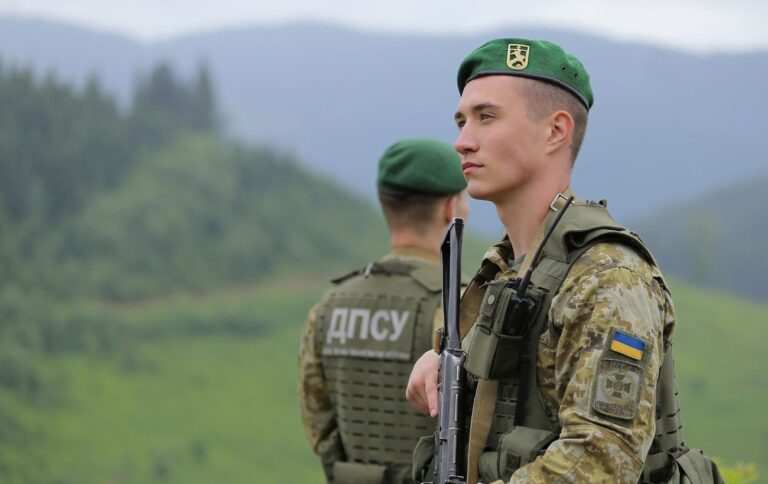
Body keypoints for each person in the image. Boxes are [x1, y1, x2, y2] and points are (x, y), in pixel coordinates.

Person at [406, 39, 721, 484]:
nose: (462, 142)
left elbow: (599, 463)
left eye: (486, 117)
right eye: (461, 121)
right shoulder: (507, 270)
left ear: (556, 130)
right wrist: (440, 362)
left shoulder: (608, 277)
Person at [299, 138, 470, 484]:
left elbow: (319, 425)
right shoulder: (461, 305)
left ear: (386, 205)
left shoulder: (329, 308)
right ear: (449, 209)